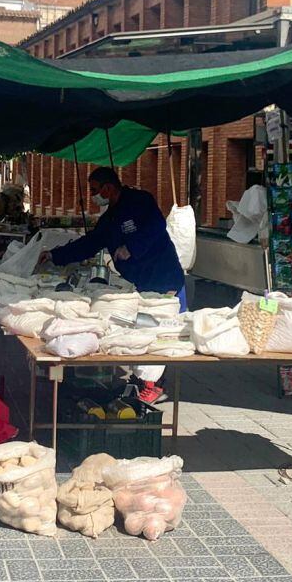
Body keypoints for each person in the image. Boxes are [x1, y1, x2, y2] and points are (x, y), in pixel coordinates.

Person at [40, 166, 186, 404]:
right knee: (143, 329)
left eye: (95, 190)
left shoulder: (140, 201)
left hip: (163, 276)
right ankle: (143, 380)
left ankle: (156, 385)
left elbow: (156, 228)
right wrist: (55, 255)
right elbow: (90, 243)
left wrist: (131, 247)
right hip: (139, 282)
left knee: (160, 330)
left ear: (108, 187)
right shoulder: (109, 219)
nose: (93, 195)